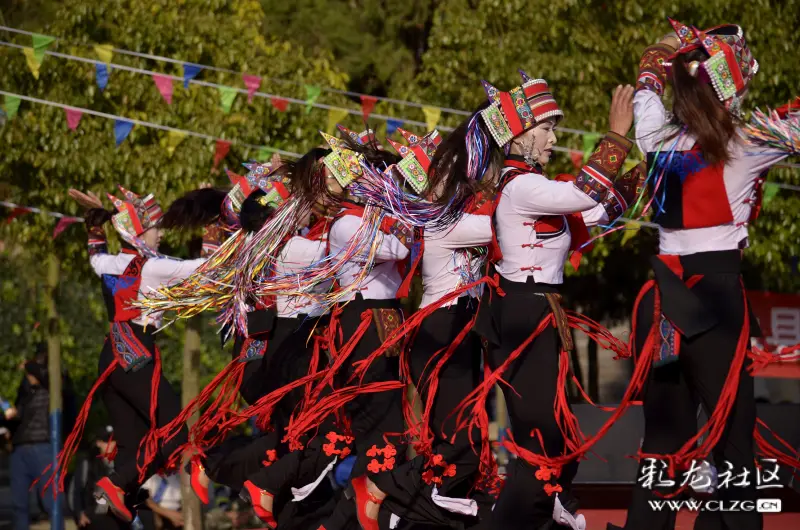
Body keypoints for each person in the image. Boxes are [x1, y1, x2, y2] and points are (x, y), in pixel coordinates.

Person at [611, 18, 793, 530]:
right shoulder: (749, 141)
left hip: (663, 296)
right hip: (714, 299)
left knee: (662, 445)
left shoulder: (654, 132)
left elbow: (648, 80)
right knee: (732, 440)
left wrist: (664, 52)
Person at [445, 71, 641, 530]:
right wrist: (617, 135)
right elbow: (582, 194)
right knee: (541, 434)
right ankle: (537, 508)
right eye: (548, 128)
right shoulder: (520, 186)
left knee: (549, 432)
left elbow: (594, 212)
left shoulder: (534, 187)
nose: (554, 138)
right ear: (518, 135)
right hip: (523, 312)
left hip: (535, 310)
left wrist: (647, 165)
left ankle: (551, 503)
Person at [56, 186, 220, 523]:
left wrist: (94, 224)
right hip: (137, 354)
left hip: (111, 358)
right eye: (154, 229)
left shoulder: (109, 264)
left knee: (132, 447)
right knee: (174, 430)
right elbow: (205, 269)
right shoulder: (153, 267)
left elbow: (94, 253)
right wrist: (216, 232)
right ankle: (120, 484)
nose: (159, 234)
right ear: (138, 232)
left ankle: (114, 502)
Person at [8, 343, 77, 530]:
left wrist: (29, 366)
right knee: (19, 504)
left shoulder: (55, 381)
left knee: (51, 501)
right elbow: (19, 415)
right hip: (21, 447)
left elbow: (47, 376)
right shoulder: (25, 391)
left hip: (45, 445)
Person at [68, 426, 128, 530]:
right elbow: (74, 492)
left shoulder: (123, 464)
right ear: (98, 443)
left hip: (119, 516)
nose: (110, 445)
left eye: (113, 440)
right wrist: (79, 514)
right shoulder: (88, 464)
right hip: (95, 516)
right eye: (106, 441)